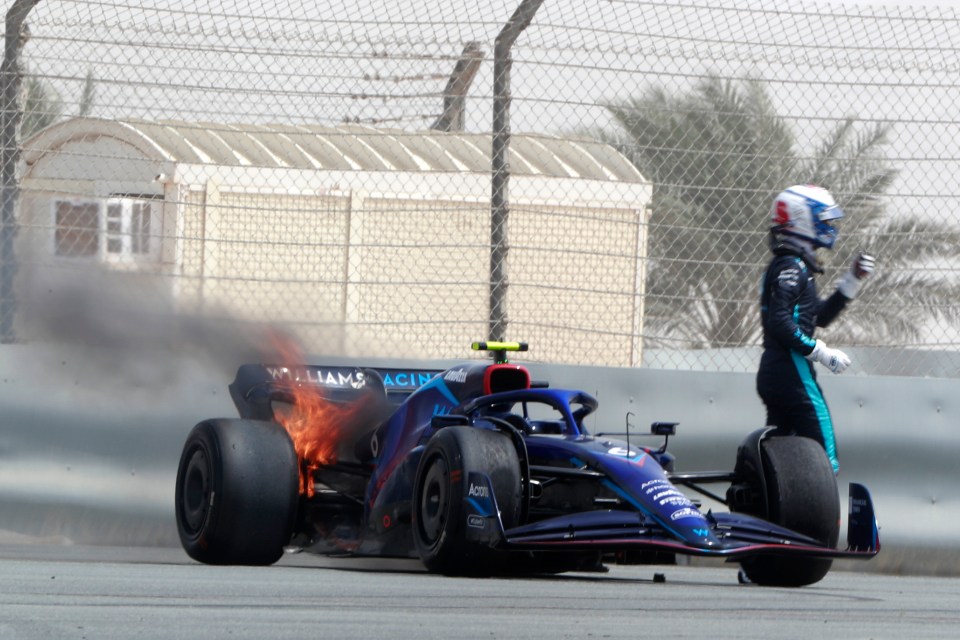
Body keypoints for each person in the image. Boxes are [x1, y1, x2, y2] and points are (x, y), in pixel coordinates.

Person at [756, 184, 875, 474]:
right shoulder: (792, 268)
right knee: (825, 458)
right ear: (801, 218)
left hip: (775, 372)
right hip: (792, 372)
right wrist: (819, 351)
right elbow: (780, 322)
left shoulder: (789, 264)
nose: (830, 226)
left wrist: (852, 280)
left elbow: (817, 317)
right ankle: (823, 519)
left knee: (780, 459)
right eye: (824, 219)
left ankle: (778, 516)